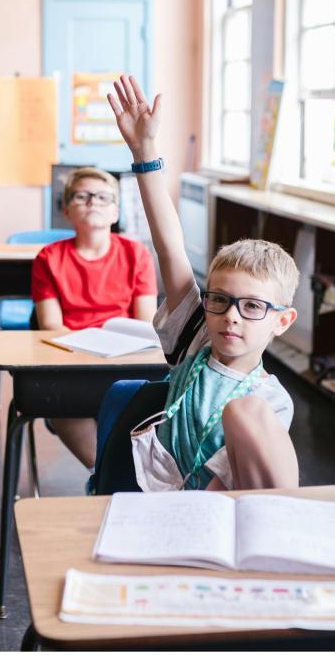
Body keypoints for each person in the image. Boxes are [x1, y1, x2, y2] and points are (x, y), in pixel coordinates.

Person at [106, 75, 300, 491]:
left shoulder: (270, 403)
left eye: (252, 307)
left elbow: (238, 488)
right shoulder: (196, 338)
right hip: (157, 502)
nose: (231, 316)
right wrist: (144, 150)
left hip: (220, 516)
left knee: (245, 415)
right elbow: (170, 247)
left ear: (282, 321)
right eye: (220, 300)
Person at [31, 166, 158, 468]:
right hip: (71, 361)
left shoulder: (136, 254)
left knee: (151, 399)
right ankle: (105, 476)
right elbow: (51, 326)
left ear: (115, 211)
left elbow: (145, 323)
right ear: (66, 210)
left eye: (103, 197)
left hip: (126, 360)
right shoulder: (48, 258)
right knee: (60, 399)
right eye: (82, 196)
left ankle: (125, 476)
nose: (93, 203)